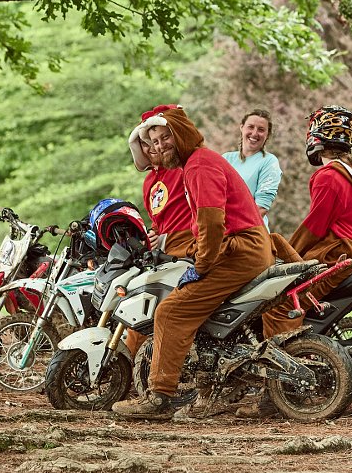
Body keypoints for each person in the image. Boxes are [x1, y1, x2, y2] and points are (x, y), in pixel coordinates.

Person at [112, 106, 275, 420]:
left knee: (171, 312)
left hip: (240, 251)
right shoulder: (196, 163)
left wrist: (201, 266)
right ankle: (210, 387)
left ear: (181, 134)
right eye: (153, 141)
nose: (159, 146)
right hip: (243, 248)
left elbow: (211, 223)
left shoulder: (199, 165)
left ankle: (159, 397)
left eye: (165, 137)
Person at [237, 104, 352, 418]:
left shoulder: (328, 176)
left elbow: (316, 226)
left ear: (316, 137)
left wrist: (287, 255)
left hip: (336, 254)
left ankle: (279, 391)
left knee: (278, 305)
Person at [123, 106, 195, 358]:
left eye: (160, 140)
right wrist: (152, 234)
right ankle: (129, 365)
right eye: (146, 144)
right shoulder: (149, 182)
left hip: (187, 251)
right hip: (162, 254)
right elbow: (159, 220)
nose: (152, 148)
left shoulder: (184, 168)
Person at [222, 110, 282, 228]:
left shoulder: (269, 162)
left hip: (250, 233)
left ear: (267, 134)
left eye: (261, 129)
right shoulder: (226, 159)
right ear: (241, 127)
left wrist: (233, 229)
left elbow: (261, 208)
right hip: (222, 231)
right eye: (251, 127)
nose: (254, 133)